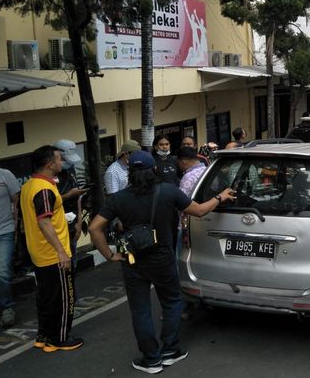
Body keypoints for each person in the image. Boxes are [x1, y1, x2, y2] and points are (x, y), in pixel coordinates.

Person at [88, 150, 236, 374]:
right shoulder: (168, 192)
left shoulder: (119, 199)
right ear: (154, 170)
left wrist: (110, 255)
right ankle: (170, 351)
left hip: (133, 261)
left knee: (140, 310)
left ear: (130, 173)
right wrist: (220, 197)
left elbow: (94, 228)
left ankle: (151, 359)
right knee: (171, 302)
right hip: (163, 259)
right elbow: (199, 210)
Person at [19, 145, 83, 352]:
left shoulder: (31, 185)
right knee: (65, 297)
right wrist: (61, 251)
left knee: (46, 296)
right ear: (49, 164)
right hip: (53, 254)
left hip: (40, 253)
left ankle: (44, 335)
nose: (61, 162)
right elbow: (44, 222)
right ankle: (59, 339)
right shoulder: (43, 188)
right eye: (59, 158)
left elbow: (48, 207)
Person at [52, 139, 88, 302]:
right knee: (59, 265)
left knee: (72, 262)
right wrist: (68, 195)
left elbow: (78, 198)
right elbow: (48, 202)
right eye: (63, 160)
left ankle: (70, 294)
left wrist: (80, 222)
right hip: (56, 228)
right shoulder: (49, 177)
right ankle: (61, 297)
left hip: (72, 224)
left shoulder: (70, 171)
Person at [0, 162, 21, 329]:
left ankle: (7, 307)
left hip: (3, 231)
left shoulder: (3, 174)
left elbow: (16, 200)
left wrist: (15, 227)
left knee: (0, 271)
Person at [175, 146, 207, 260]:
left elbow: (181, 202)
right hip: (205, 221)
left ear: (184, 161)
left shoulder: (188, 177)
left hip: (187, 224)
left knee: (182, 258)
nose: (179, 166)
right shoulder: (207, 170)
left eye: (179, 163)